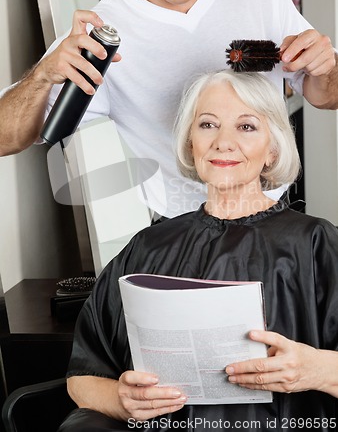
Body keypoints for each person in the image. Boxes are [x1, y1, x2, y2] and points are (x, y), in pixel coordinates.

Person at [57, 70, 338, 432]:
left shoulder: (317, 244)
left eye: (246, 127)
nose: (223, 142)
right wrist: (121, 400)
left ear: (272, 149)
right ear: (191, 143)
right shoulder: (147, 247)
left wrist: (317, 369)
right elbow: (82, 377)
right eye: (208, 124)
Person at [0, 0, 337, 218]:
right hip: (181, 225)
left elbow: (326, 96)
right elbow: (6, 138)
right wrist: (42, 76)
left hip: (273, 209)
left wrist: (327, 68)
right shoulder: (102, 35)